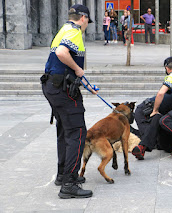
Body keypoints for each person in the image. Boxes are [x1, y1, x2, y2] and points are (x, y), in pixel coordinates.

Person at [41, 4, 98, 199]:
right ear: (83, 18)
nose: (87, 25)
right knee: (77, 132)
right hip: (62, 91)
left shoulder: (63, 29)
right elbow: (62, 54)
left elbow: (62, 66)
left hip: (53, 86)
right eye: (88, 21)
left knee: (65, 130)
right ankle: (69, 183)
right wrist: (79, 69)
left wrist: (87, 85)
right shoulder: (74, 32)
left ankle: (62, 174)